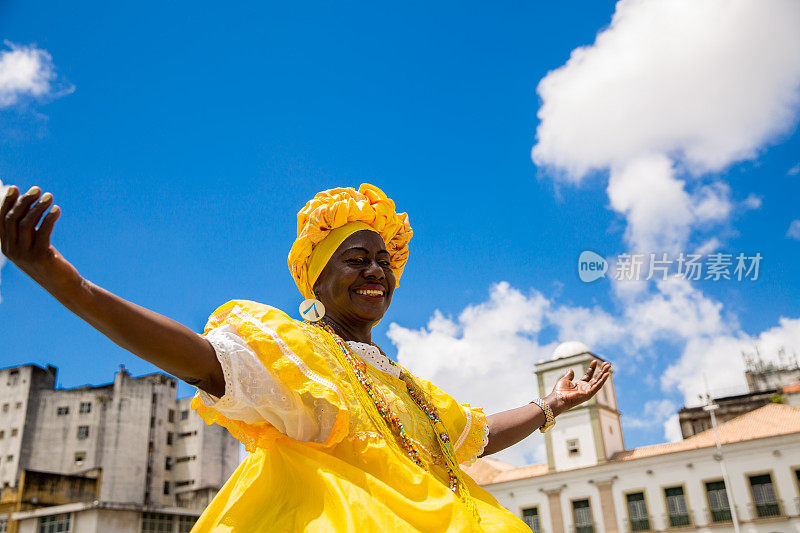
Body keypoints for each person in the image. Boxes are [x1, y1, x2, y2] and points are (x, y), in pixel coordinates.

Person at [0, 183, 611, 532]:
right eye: (356, 258)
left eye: (383, 260)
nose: (375, 269)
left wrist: (550, 407)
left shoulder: (413, 391)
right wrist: (66, 284)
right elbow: (200, 360)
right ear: (317, 281)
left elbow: (471, 436)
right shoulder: (297, 359)